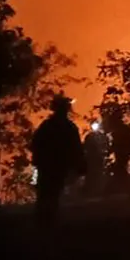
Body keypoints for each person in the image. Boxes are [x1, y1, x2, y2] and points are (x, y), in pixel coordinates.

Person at [30, 94, 85, 225]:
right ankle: (48, 220)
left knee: (46, 193)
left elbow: (35, 144)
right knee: (52, 193)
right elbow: (76, 149)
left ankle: (44, 221)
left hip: (48, 166)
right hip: (57, 166)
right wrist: (79, 165)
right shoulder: (69, 128)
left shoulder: (47, 126)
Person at [83, 121, 108, 196]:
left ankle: (99, 190)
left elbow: (106, 145)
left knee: (99, 173)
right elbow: (85, 147)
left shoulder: (102, 136)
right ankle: (89, 191)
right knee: (91, 174)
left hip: (99, 158)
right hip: (91, 158)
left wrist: (105, 152)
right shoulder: (89, 136)